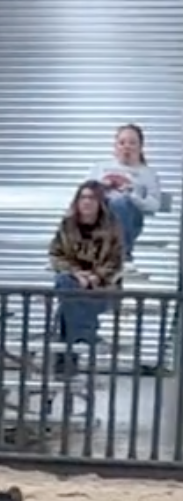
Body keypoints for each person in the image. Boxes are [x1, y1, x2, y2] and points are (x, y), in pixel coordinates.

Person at [48, 180, 124, 378]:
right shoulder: (67, 225)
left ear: (100, 202)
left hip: (102, 290)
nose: (86, 202)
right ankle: (86, 334)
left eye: (92, 198)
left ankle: (65, 364)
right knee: (65, 283)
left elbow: (115, 261)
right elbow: (56, 255)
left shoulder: (113, 227)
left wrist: (94, 277)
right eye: (82, 197)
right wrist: (77, 273)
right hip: (73, 285)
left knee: (66, 311)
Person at [85, 124, 161, 265]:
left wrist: (133, 195)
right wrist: (100, 188)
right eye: (122, 142)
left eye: (132, 143)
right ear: (115, 146)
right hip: (99, 220)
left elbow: (154, 205)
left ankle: (122, 255)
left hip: (129, 222)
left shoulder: (148, 173)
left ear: (140, 146)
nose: (127, 146)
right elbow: (84, 196)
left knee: (121, 202)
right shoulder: (100, 168)